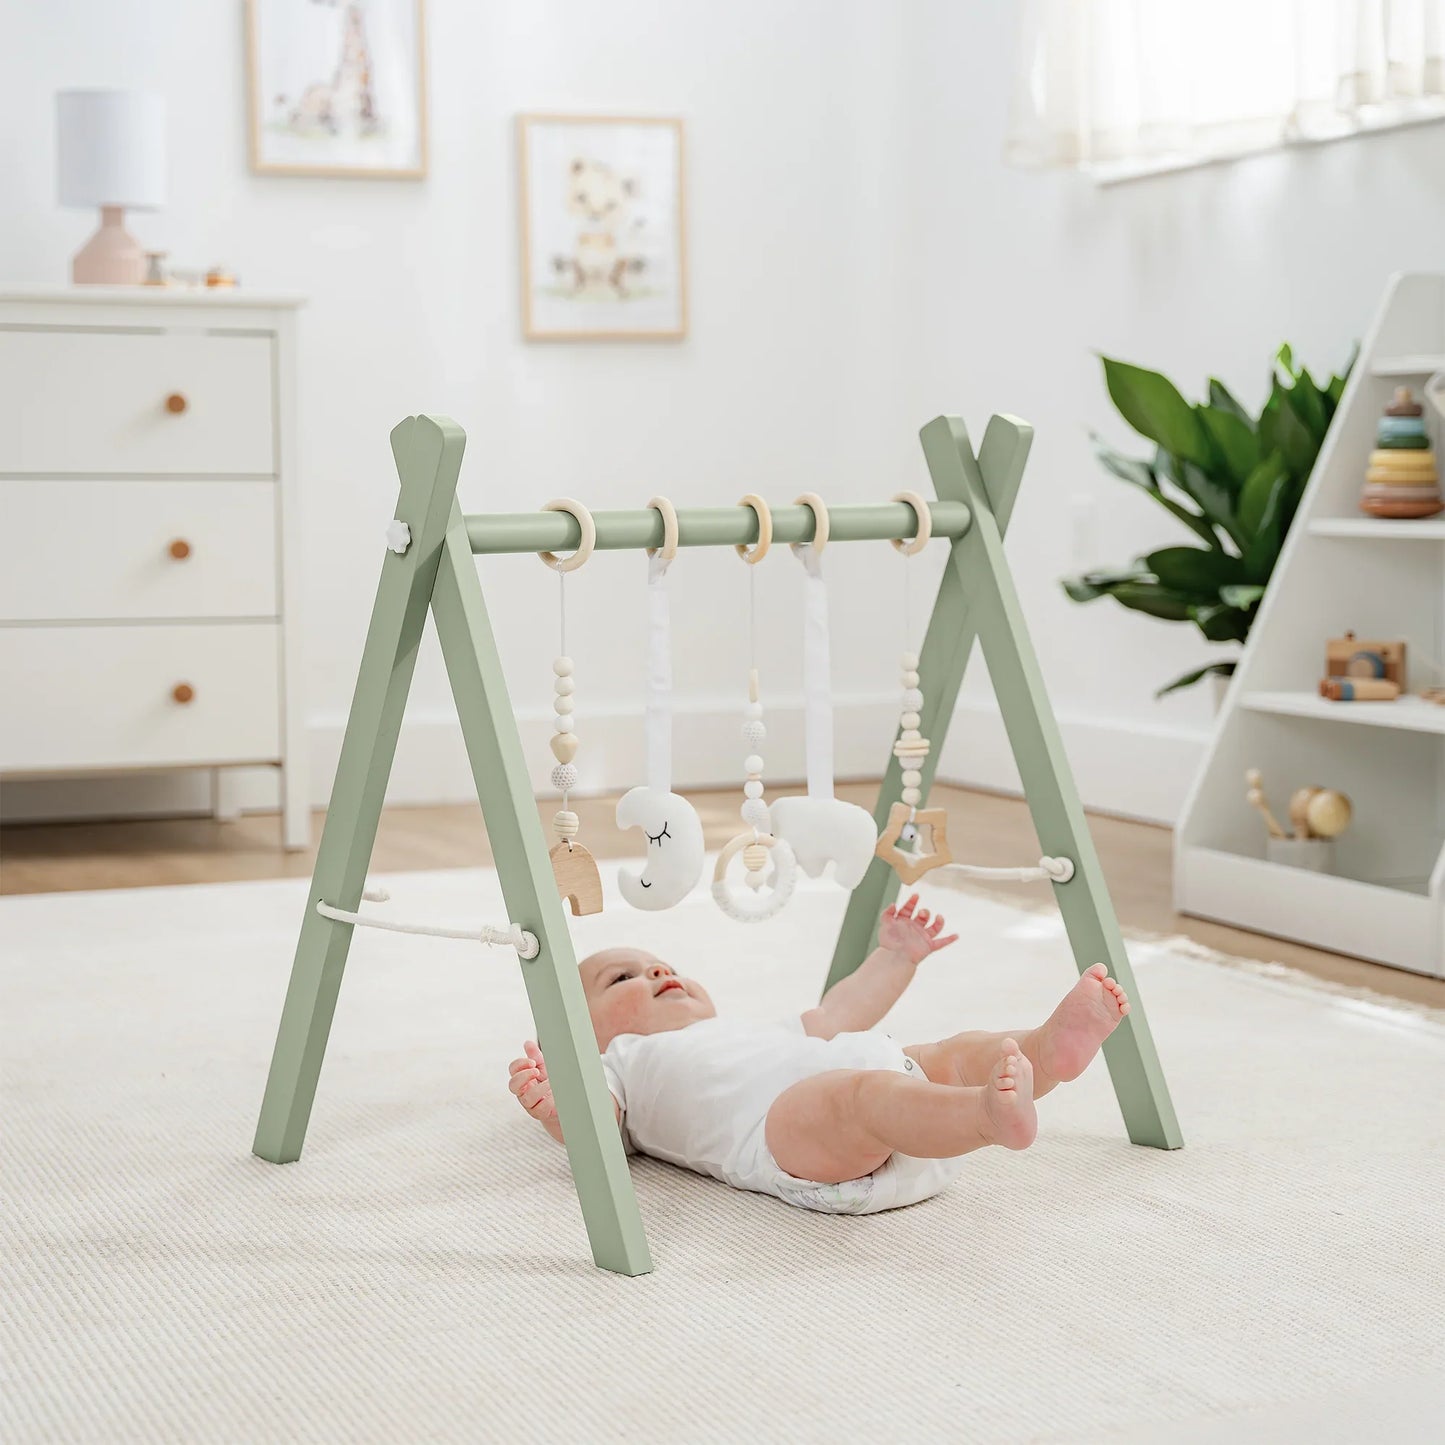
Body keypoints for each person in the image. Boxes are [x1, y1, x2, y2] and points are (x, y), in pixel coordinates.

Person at [507, 894, 1129, 1214]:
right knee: (862, 1096)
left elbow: (839, 1014)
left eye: (662, 965)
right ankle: (986, 1119)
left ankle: (1046, 1051)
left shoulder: (749, 1029)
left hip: (898, 1090)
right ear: (581, 1037)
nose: (657, 972)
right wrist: (560, 1104)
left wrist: (895, 958)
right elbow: (595, 1127)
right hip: (794, 1140)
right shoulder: (618, 1063)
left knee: (948, 1054)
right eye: (621, 979)